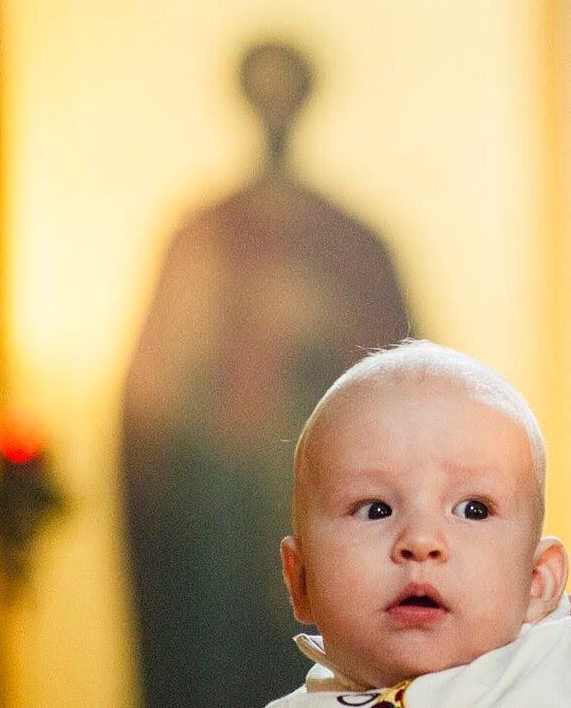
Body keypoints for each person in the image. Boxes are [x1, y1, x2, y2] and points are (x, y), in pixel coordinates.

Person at [121, 40, 411, 708]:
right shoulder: (202, 237)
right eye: (264, 94)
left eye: (287, 94)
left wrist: (315, 332)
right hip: (214, 516)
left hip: (326, 499)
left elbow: (407, 391)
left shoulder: (352, 242)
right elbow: (151, 409)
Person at [268, 340, 571, 707]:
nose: (420, 541)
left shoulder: (566, 670)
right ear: (301, 581)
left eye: (473, 510)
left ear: (536, 582)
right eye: (375, 510)